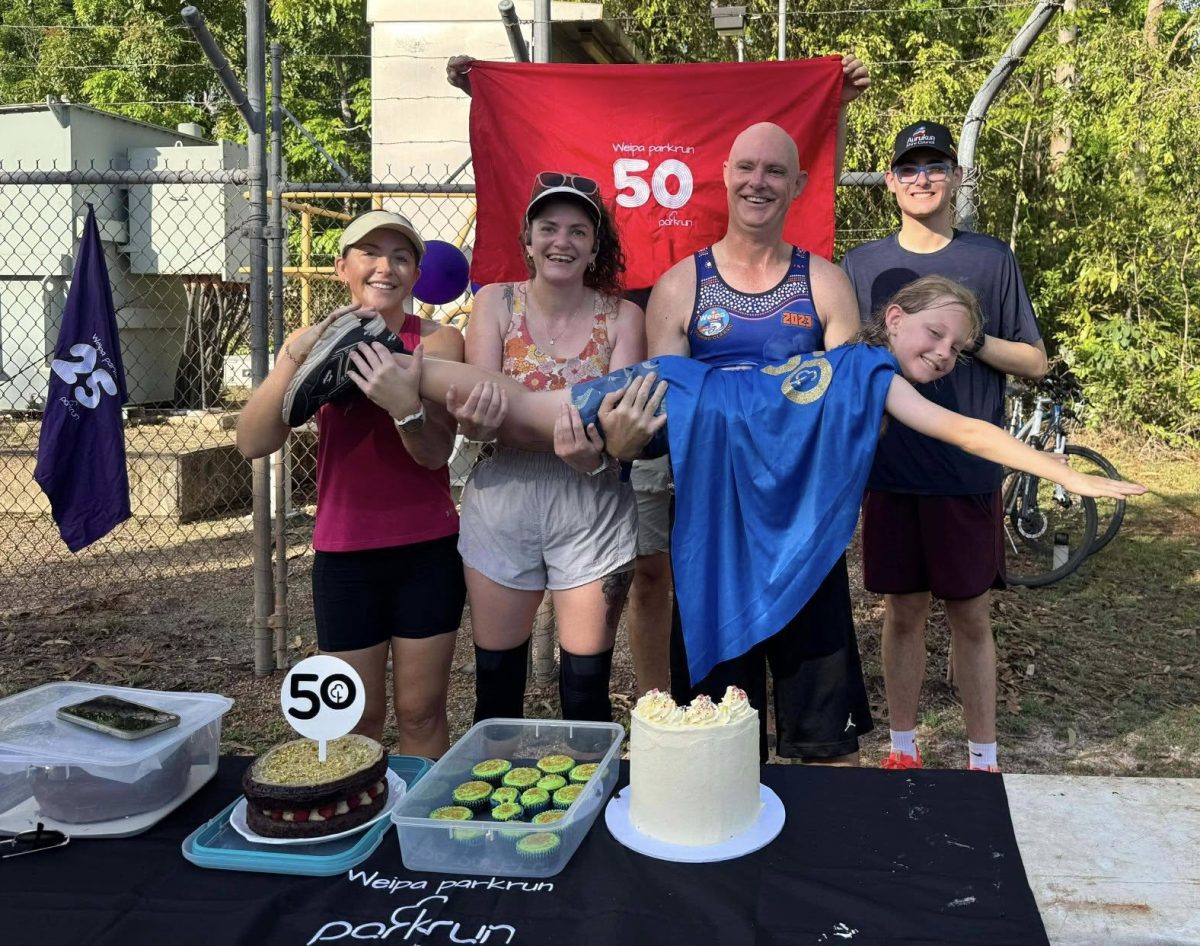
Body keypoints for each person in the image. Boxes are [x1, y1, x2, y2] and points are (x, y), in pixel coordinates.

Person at [328, 277, 1140, 698]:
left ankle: (390, 368)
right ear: (893, 319)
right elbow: (959, 426)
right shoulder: (863, 363)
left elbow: (964, 427)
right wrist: (1065, 470)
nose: (941, 354)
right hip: (680, 393)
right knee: (524, 410)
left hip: (694, 411)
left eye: (956, 352)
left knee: (527, 414)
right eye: (934, 334)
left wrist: (1069, 467)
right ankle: (380, 361)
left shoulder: (872, 381)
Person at [601, 116, 872, 765]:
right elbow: (657, 416)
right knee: (715, 746)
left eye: (775, 170)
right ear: (725, 178)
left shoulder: (826, 283)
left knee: (824, 745)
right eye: (746, 167)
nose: (759, 181)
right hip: (710, 540)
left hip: (801, 537)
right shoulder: (681, 287)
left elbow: (851, 409)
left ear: (798, 183)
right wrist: (623, 437)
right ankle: (719, 861)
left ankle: (817, 861)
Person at [841, 120, 1049, 773]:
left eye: (935, 167)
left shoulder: (990, 259)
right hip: (891, 469)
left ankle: (983, 756)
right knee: (901, 613)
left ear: (956, 178)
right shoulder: (862, 265)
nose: (922, 178)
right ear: (890, 181)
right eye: (909, 168)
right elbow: (846, 362)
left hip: (967, 469)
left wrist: (968, 340)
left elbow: (1036, 361)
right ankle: (903, 749)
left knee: (970, 616)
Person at [236, 210, 466, 758]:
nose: (385, 266)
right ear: (342, 267)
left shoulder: (438, 343)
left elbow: (434, 451)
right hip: (345, 553)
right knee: (355, 716)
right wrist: (301, 351)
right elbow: (252, 440)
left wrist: (403, 402)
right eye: (370, 253)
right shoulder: (309, 341)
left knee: (422, 710)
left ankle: (414, 829)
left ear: (415, 274)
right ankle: (355, 821)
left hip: (426, 549)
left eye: (401, 256)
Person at [444, 171, 646, 725]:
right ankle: (498, 807)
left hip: (591, 497)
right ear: (527, 239)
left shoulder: (624, 317)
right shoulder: (494, 303)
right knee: (496, 686)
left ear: (595, 245)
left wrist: (583, 444)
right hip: (504, 494)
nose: (563, 240)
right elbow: (482, 414)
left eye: (579, 230)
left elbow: (619, 423)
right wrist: (568, 426)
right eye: (549, 227)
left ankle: (587, 806)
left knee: (586, 691)